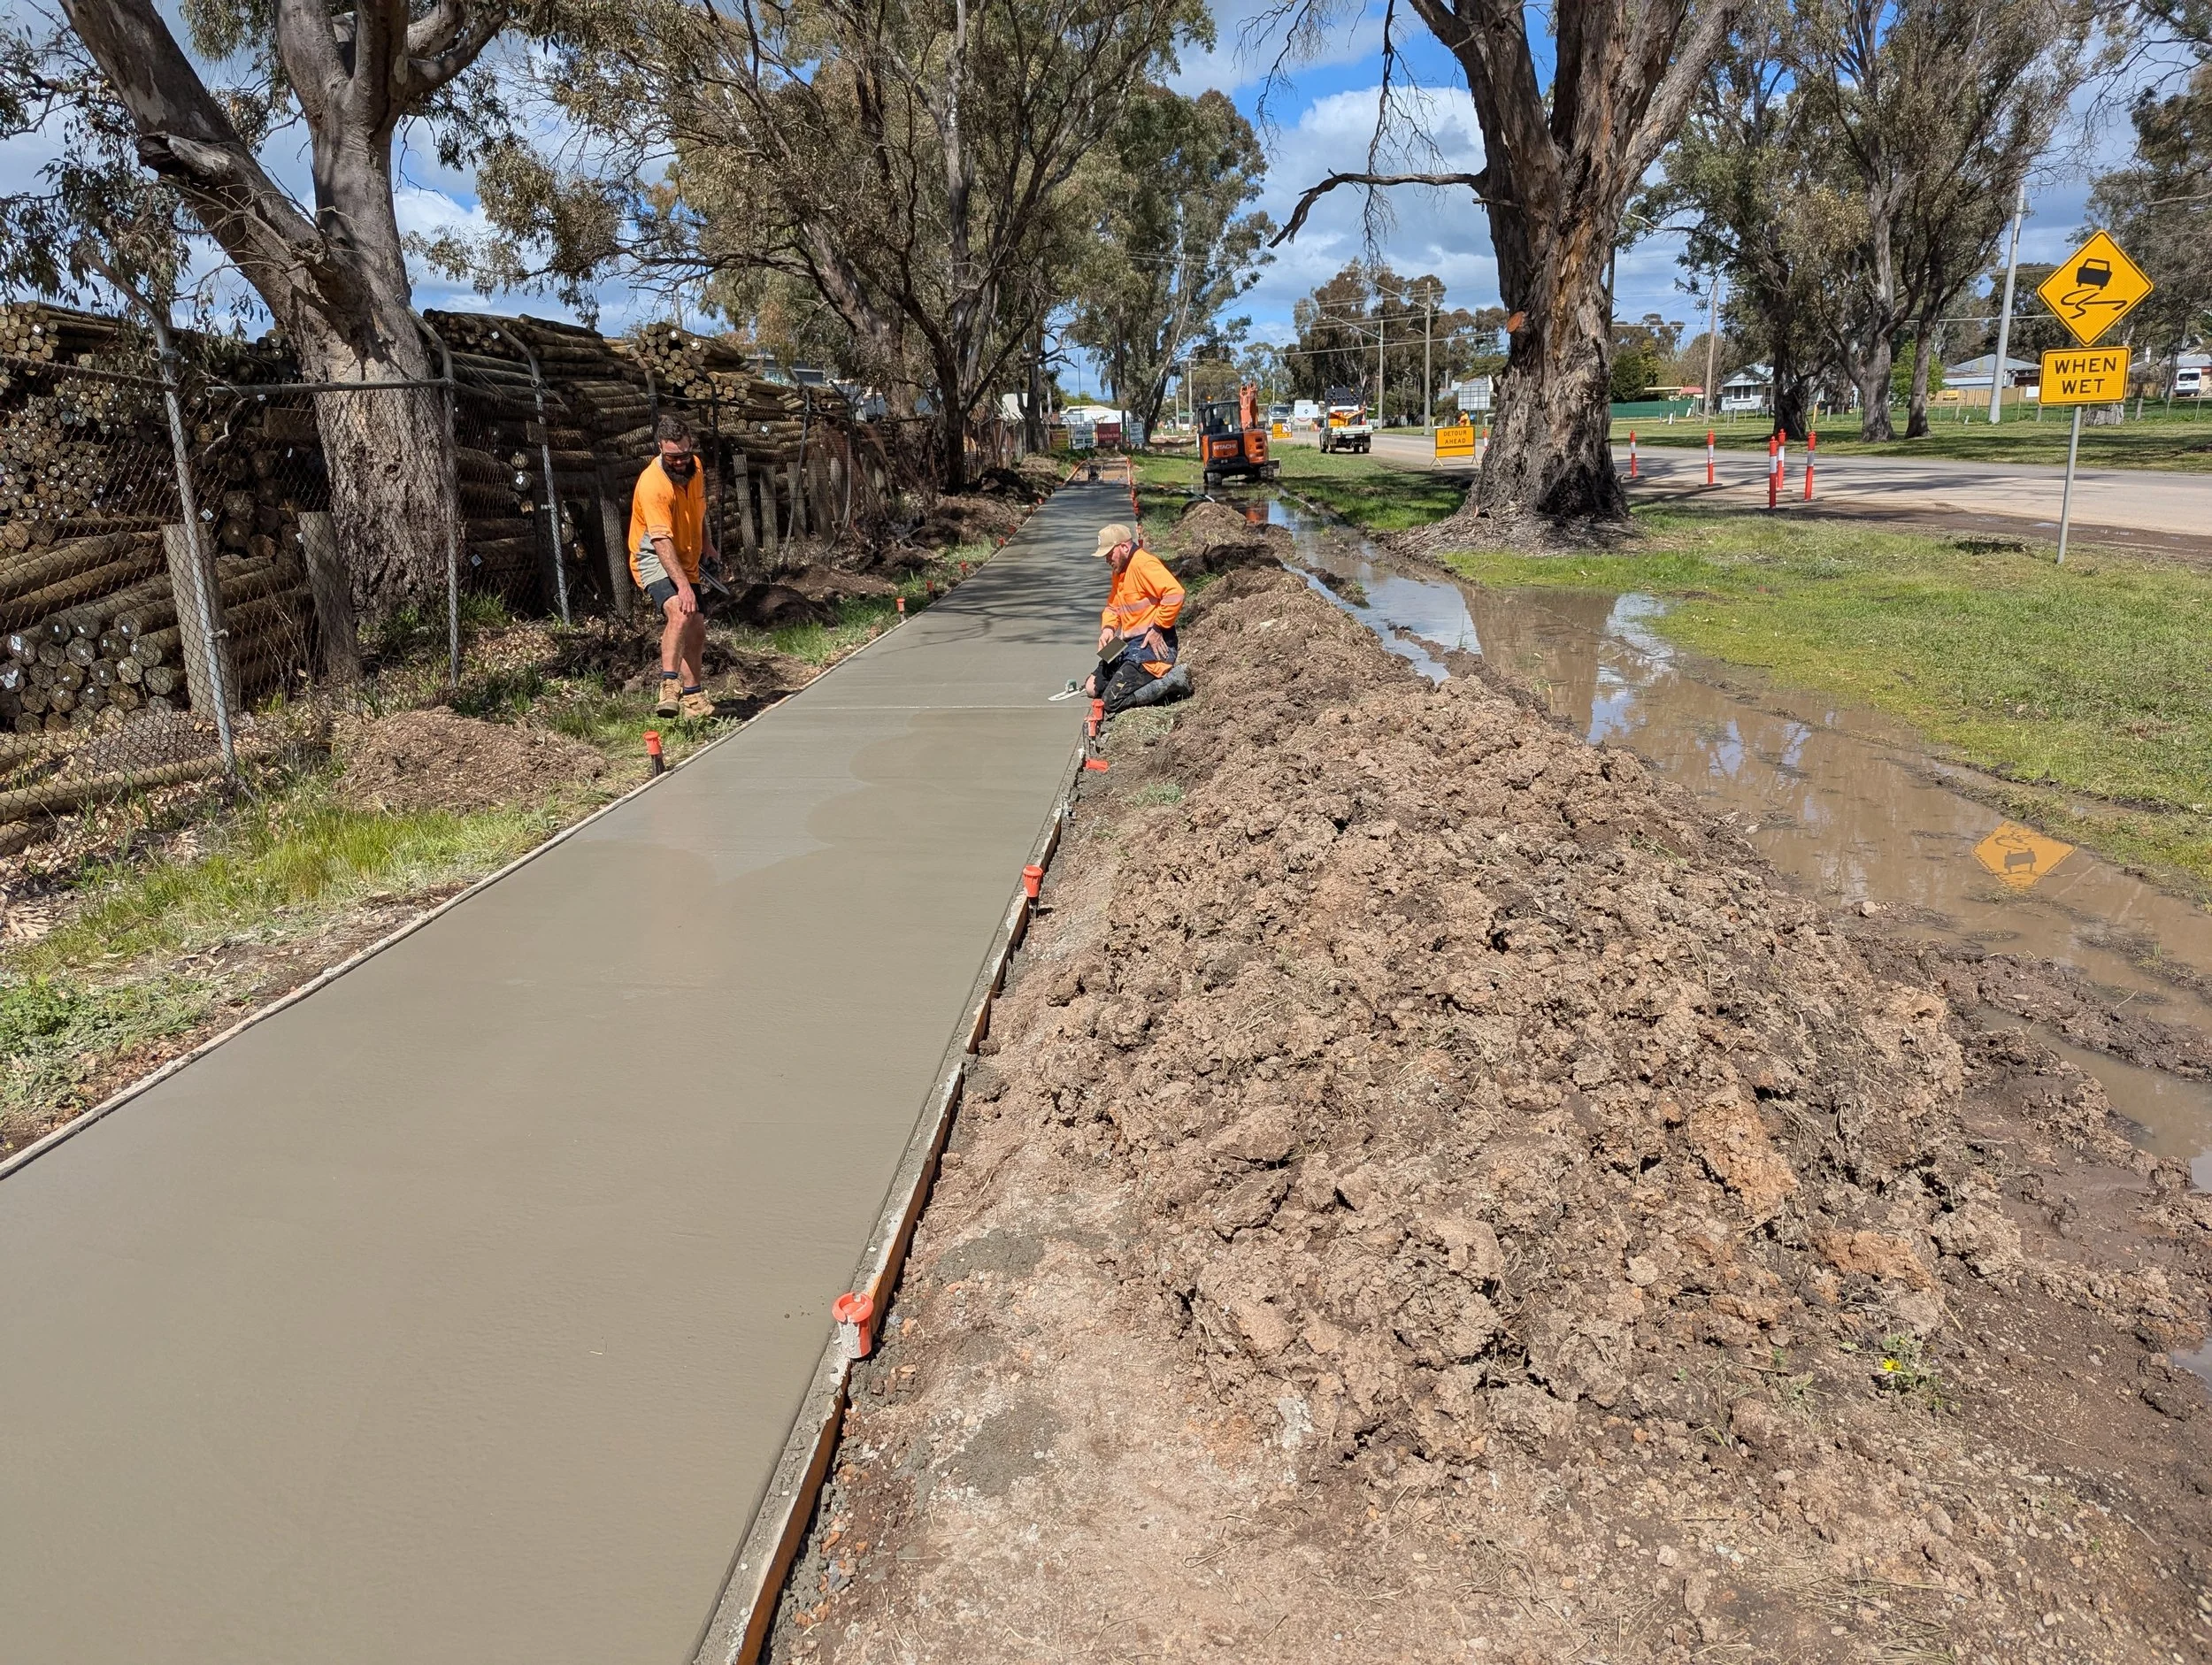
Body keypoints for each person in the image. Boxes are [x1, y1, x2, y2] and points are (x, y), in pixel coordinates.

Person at [628, 414, 724, 718]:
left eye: (683, 454)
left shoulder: (696, 468)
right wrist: (682, 586)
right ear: (660, 448)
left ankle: (693, 699)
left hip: (686, 556)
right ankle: (668, 687)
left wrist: (707, 544)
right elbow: (660, 541)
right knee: (681, 611)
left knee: (696, 627)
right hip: (653, 555)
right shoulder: (653, 484)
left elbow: (699, 512)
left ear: (690, 445)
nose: (680, 462)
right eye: (672, 457)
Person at [1084, 522, 1189, 713]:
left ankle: (1172, 681)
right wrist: (1108, 629)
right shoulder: (1119, 571)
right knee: (1091, 687)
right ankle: (1128, 675)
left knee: (1111, 701)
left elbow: (1175, 593)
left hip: (1150, 644)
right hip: (1127, 642)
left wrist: (1158, 628)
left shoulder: (1144, 564)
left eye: (1109, 554)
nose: (1107, 560)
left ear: (1124, 547)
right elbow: (1113, 606)